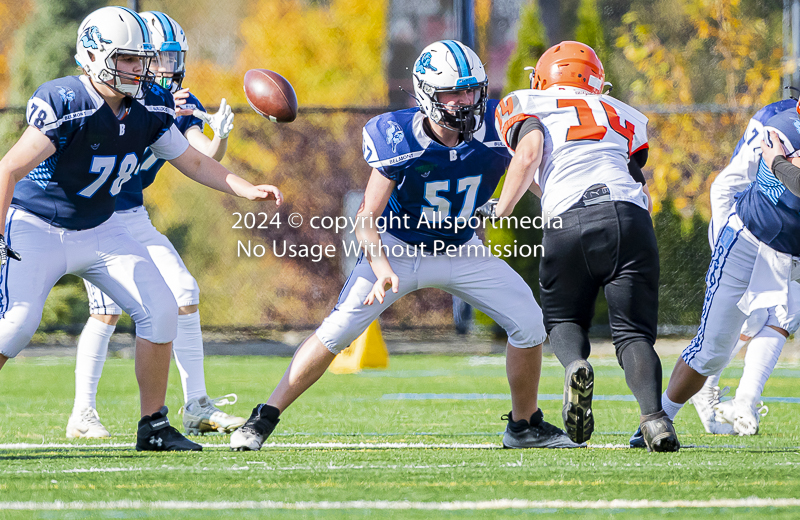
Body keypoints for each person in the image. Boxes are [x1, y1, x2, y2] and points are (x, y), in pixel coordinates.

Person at [229, 40, 581, 451]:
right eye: (454, 92)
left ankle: (524, 426)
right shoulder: (399, 135)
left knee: (528, 323)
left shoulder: (495, 123)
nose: (467, 101)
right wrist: (381, 268)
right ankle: (263, 418)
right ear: (427, 94)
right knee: (337, 331)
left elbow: (531, 172)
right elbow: (366, 218)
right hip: (399, 246)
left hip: (462, 248)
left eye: (472, 90)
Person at [0, 6, 282, 451]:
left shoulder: (149, 105)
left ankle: (153, 426)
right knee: (16, 326)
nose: (139, 69)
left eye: (141, 59)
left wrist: (245, 189)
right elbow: (8, 169)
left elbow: (190, 159)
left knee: (163, 307)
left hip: (100, 227)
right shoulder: (65, 102)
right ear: (93, 57)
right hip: (39, 226)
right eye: (127, 59)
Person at [490, 41, 678, 452]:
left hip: (569, 218)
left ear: (544, 78)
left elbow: (531, 154)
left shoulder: (526, 102)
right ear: (595, 81)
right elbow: (633, 174)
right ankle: (655, 420)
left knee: (561, 320)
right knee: (633, 334)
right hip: (630, 217)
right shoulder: (621, 112)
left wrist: (500, 209)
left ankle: (576, 364)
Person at [66, 11, 245, 439]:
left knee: (184, 291)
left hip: (134, 214)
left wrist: (217, 134)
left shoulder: (175, 101)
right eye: (156, 58)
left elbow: (201, 157)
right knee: (106, 312)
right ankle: (82, 413)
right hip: (97, 214)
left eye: (171, 57)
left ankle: (197, 404)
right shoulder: (113, 93)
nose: (165, 67)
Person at [660, 97, 800, 440]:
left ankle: (746, 401)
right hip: (748, 233)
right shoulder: (781, 125)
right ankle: (661, 415)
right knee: (721, 341)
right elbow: (736, 184)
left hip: (790, 247)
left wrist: (780, 163)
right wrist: (780, 163)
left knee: (782, 317)